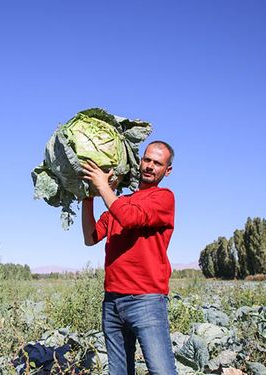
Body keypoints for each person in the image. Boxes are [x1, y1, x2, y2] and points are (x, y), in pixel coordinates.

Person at [81, 140, 177, 375]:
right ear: (140, 161)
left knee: (162, 371)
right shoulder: (119, 202)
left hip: (146, 300)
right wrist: (88, 197)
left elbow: (131, 218)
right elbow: (90, 237)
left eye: (157, 163)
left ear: (167, 170)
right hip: (112, 302)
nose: (150, 166)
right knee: (119, 371)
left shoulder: (164, 198)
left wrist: (104, 187)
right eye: (147, 160)